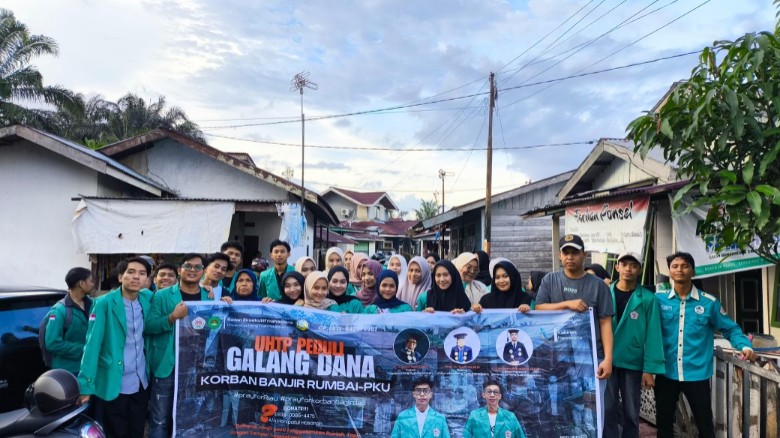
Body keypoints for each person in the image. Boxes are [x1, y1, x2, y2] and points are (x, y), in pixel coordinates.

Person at [654, 252, 754, 438]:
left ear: (693, 271)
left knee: (705, 424)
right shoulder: (657, 300)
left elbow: (730, 329)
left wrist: (744, 346)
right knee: (664, 424)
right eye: (675, 266)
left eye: (684, 266)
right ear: (669, 271)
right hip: (666, 371)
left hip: (697, 373)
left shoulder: (709, 303)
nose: (679, 269)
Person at [535, 234, 614, 423]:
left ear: (584, 255)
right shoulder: (550, 280)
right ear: (560, 256)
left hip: (591, 358)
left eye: (575, 252)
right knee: (559, 407)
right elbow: (539, 308)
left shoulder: (598, 286)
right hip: (558, 357)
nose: (570, 257)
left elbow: (605, 323)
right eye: (566, 252)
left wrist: (608, 358)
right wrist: (567, 304)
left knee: (591, 410)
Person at [78, 257, 153, 438]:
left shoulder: (147, 298)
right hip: (114, 382)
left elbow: (175, 294)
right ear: (120, 277)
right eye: (131, 272)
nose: (136, 277)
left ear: (147, 280)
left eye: (142, 274)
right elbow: (92, 346)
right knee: (115, 432)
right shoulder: (104, 303)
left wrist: (209, 289)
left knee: (136, 430)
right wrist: (85, 386)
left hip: (141, 381)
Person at [145, 254, 213, 438]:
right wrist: (172, 317)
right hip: (169, 366)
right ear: (179, 270)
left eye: (197, 267)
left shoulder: (210, 296)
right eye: (188, 266)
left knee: (191, 418)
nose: (192, 270)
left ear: (203, 271)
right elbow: (149, 326)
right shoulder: (161, 295)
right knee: (159, 420)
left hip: (198, 368)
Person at [603, 251, 665, 438]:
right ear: (617, 267)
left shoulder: (647, 298)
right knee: (607, 409)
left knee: (631, 411)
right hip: (608, 360)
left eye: (633, 265)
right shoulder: (605, 292)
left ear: (639, 269)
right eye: (624, 264)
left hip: (633, 361)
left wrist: (649, 369)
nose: (628, 269)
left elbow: (653, 334)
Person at [44, 267, 94, 374]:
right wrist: (84, 349)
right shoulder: (59, 311)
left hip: (88, 367)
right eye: (90, 280)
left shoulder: (92, 305)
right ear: (81, 283)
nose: (93, 284)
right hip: (68, 371)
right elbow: (52, 343)